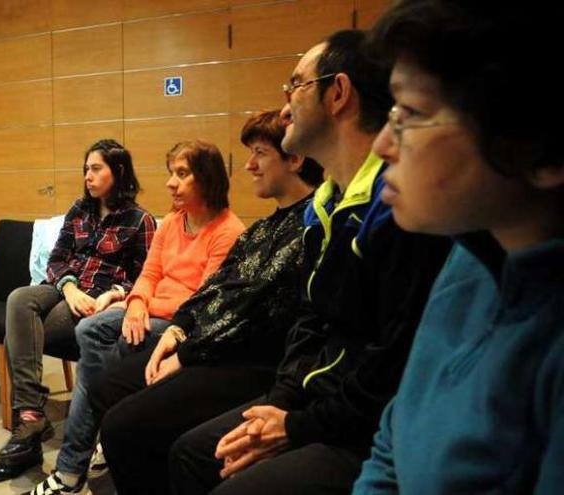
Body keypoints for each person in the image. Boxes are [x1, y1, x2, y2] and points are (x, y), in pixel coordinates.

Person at [167, 29, 451, 495]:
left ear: (338, 93)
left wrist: (296, 425)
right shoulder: (324, 207)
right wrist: (281, 405)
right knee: (192, 451)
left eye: (413, 118)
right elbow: (310, 321)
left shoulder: (402, 208)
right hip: (314, 400)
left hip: (359, 425)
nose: (284, 108)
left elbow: (389, 364)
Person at [352, 2, 563, 493]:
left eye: (411, 113)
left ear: (539, 145)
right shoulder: (468, 254)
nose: (382, 143)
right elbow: (392, 439)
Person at [88, 110, 324, 494]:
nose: (248, 165)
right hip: (209, 342)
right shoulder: (265, 227)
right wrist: (179, 328)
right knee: (106, 384)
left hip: (248, 358)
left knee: (123, 424)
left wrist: (186, 352)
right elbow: (217, 288)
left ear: (294, 159)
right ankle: (127, 469)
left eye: (260, 153)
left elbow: (246, 309)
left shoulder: (308, 226)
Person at [22, 140, 246, 495]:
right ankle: (95, 445)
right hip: (151, 308)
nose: (171, 183)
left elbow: (201, 300)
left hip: (181, 324)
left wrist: (140, 307)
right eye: (171, 173)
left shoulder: (227, 231)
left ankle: (71, 468)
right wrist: (137, 303)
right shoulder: (172, 222)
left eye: (182, 174)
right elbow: (149, 274)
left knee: (108, 348)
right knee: (93, 330)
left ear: (208, 179)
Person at [0, 139, 156, 482]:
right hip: (67, 288)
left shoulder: (140, 220)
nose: (88, 176)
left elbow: (146, 275)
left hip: (99, 300)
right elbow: (58, 259)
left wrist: (114, 293)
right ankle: (32, 416)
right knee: (19, 298)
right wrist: (69, 287)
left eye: (96, 169)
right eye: (86, 169)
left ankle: (29, 427)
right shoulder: (80, 209)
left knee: (21, 333)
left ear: (118, 171)